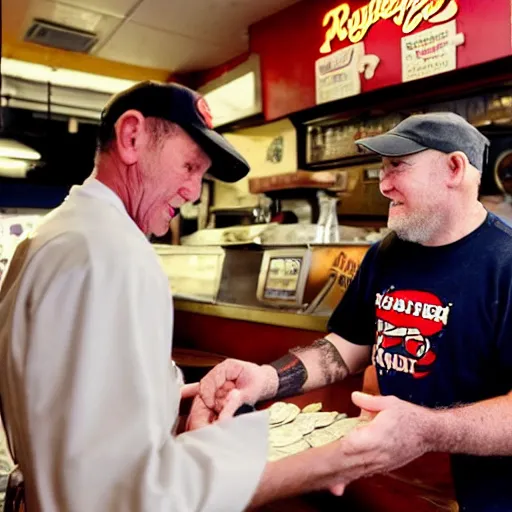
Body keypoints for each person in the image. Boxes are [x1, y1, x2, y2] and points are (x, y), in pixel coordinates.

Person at [0, 81, 364, 511]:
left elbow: (66, 404)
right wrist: (324, 463)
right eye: (189, 167)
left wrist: (162, 399)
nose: (193, 193)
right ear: (132, 137)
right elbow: (133, 495)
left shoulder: (57, 234)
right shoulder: (115, 254)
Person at [189, 112, 512, 512]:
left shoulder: (506, 262)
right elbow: (345, 347)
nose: (384, 183)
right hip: (386, 477)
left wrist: (427, 430)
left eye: (397, 166)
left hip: (481, 496)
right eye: (382, 168)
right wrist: (266, 379)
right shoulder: (387, 253)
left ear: (454, 168)